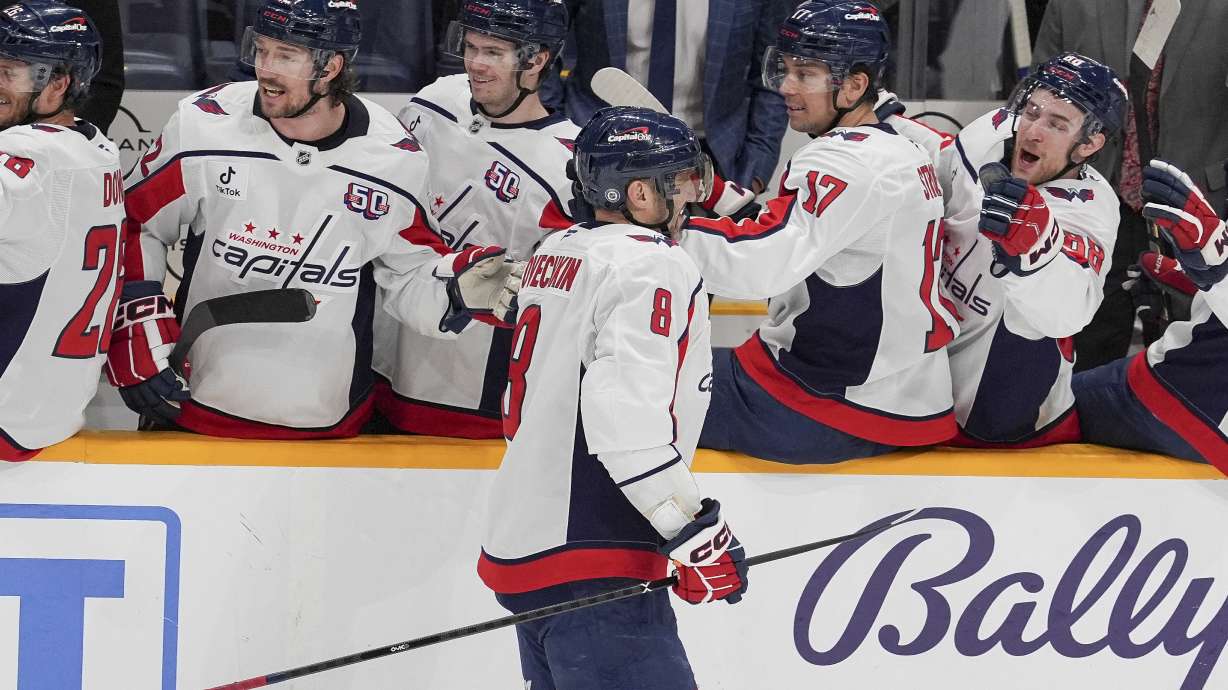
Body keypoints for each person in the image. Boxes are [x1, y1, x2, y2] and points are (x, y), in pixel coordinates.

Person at [109, 0, 514, 439]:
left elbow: (408, 273)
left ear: (330, 67)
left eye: (286, 57)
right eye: (261, 50)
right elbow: (138, 223)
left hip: (324, 422)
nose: (265, 69)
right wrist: (137, 314)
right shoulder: (205, 126)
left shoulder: (391, 159)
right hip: (194, 407)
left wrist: (453, 293)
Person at [480, 106, 748, 688]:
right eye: (678, 184)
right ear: (640, 194)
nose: (689, 199)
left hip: (532, 547)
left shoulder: (560, 251)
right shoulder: (652, 265)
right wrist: (695, 534)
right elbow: (624, 419)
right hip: (594, 553)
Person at [679, 1, 956, 463]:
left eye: (804, 74)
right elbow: (818, 241)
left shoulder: (844, 162)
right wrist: (717, 193)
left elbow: (759, 266)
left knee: (625, 388)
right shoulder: (898, 148)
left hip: (824, 403)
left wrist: (655, 231)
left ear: (854, 85)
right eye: (784, 69)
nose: (785, 87)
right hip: (905, 392)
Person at [373, 0, 578, 438]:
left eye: (493, 53)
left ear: (537, 60)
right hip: (382, 361)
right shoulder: (437, 100)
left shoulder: (567, 165)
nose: (475, 64)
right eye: (471, 47)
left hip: (466, 392)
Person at [937, 53, 1125, 447]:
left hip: (1001, 423)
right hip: (920, 392)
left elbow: (1067, 315)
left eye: (1057, 124)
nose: (1033, 131)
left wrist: (1035, 255)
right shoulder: (988, 134)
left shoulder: (1089, 208)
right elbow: (935, 176)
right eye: (1032, 111)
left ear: (1090, 142)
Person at [1033, 0, 1228, 369]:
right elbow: (1036, 96)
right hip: (1096, 202)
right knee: (1083, 352)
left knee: (1185, 359)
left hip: (1197, 205)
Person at [0, 1, 123, 461]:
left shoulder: (28, 163)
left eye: (9, 71)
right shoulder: (95, 147)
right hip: (48, 409)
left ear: (59, 82)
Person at [1073, 159, 1228, 468]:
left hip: (1188, 402)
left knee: (1041, 411)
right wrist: (1191, 280)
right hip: (1203, 402)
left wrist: (1217, 273)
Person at [558, 0, 793, 192]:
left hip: (716, 162)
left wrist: (754, 171)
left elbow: (772, 73)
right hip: (601, 150)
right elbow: (544, 39)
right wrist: (553, 124)